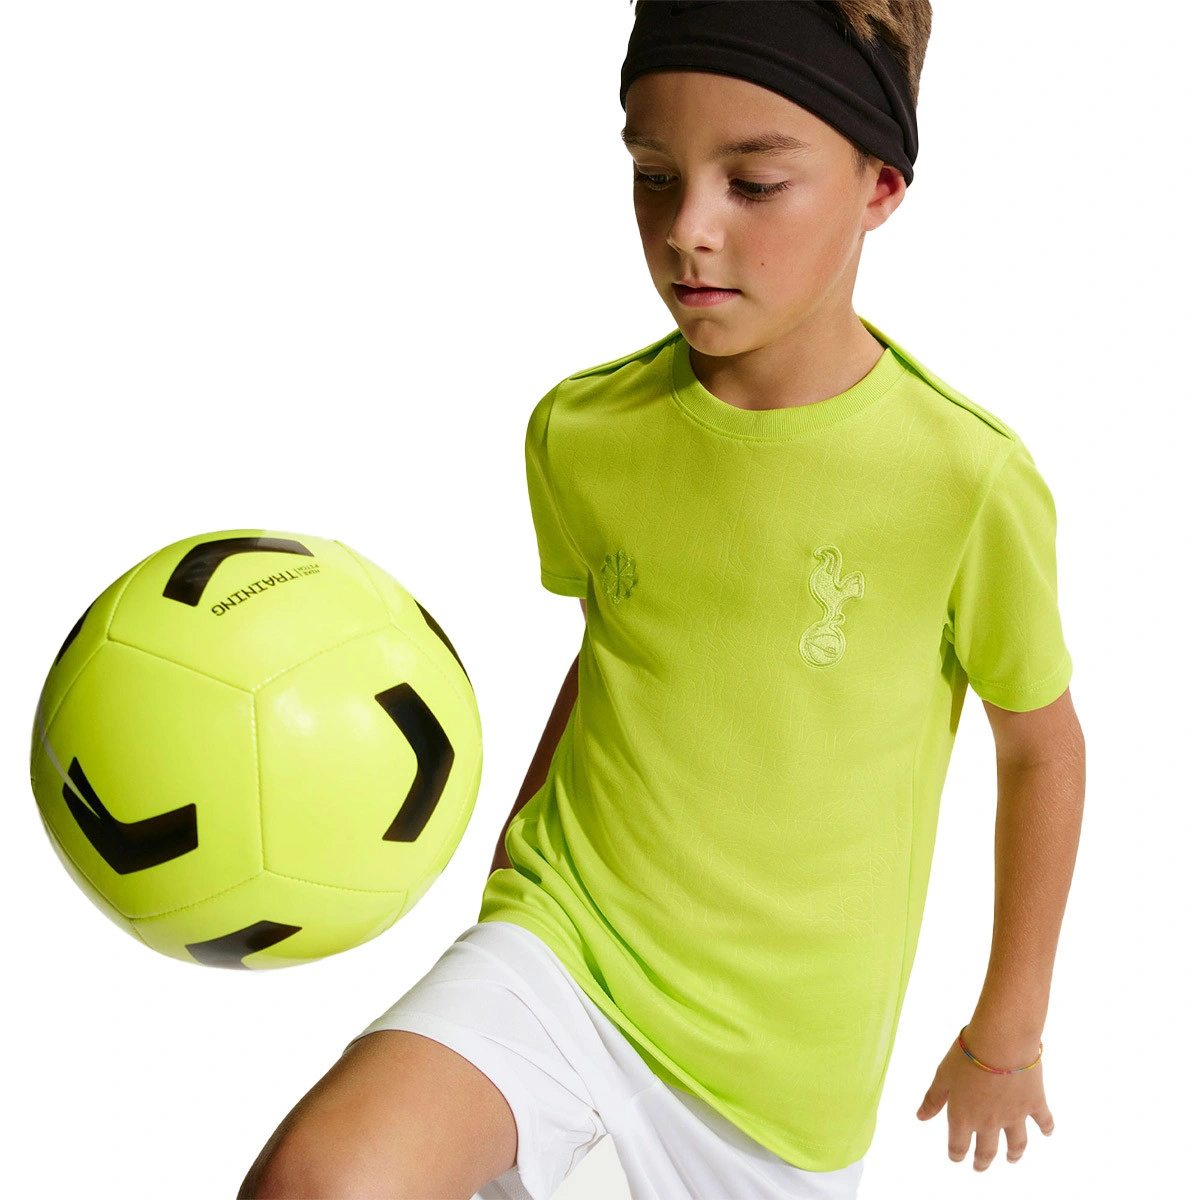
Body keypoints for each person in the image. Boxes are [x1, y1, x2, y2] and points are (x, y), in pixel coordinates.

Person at [238, 2, 1087, 1197]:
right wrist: (506, 877)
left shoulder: (963, 480)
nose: (687, 229)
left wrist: (1009, 1031)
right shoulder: (581, 431)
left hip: (778, 1086)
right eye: (653, 174)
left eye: (754, 184)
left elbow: (1041, 749)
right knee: (317, 1181)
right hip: (561, 948)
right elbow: (619, 648)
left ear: (881, 185)